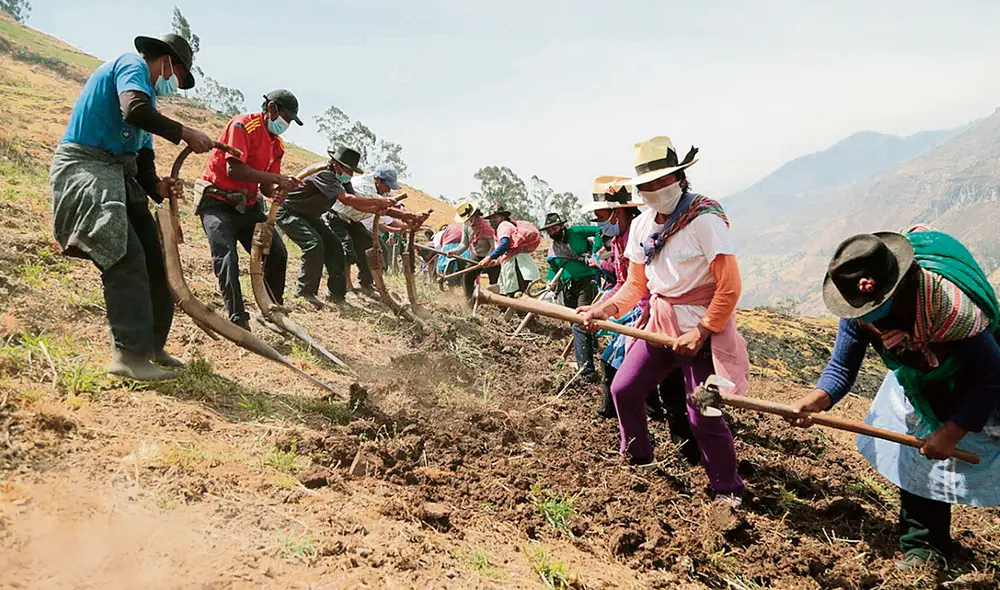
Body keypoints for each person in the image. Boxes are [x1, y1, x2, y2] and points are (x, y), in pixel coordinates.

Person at [787, 227, 1000, 571]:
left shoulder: (950, 308)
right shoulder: (858, 314)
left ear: (903, 285)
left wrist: (953, 431)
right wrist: (816, 400)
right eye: (867, 314)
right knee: (916, 456)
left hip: (978, 378)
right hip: (919, 383)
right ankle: (926, 546)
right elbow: (842, 367)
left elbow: (992, 378)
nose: (876, 321)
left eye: (882, 309)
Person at [579, 136, 747, 505]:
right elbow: (635, 285)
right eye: (646, 186)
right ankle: (640, 462)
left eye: (659, 182)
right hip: (659, 323)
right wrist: (603, 310)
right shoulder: (641, 228)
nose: (653, 191)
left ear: (679, 178)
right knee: (624, 389)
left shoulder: (705, 220)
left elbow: (730, 287)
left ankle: (727, 488)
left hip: (703, 330)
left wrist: (702, 331)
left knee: (704, 412)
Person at [51, 33, 215, 381]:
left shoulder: (148, 104)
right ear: (167, 61)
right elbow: (134, 110)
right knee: (124, 255)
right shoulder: (131, 65)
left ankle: (153, 346)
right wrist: (185, 132)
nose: (176, 85)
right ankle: (129, 356)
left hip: (118, 173)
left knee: (157, 261)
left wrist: (159, 187)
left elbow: (142, 163)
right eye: (179, 77)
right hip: (86, 166)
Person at [584, 175, 700, 465]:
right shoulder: (627, 235)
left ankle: (688, 448)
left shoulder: (654, 231)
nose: (599, 222)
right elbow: (629, 283)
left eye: (601, 216)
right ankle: (641, 439)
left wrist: (642, 310)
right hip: (643, 309)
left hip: (668, 316)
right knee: (623, 374)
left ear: (618, 211)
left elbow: (651, 282)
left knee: (673, 388)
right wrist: (604, 308)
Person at [196, 90, 304, 330]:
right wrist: (277, 177)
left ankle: (271, 311)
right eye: (286, 117)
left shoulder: (277, 145)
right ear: (272, 109)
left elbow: (265, 187)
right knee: (226, 256)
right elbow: (234, 169)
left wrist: (276, 189)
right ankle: (238, 319)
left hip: (248, 206)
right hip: (218, 201)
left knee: (277, 252)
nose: (286, 124)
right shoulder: (242, 126)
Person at [278, 148, 412, 308]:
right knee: (314, 245)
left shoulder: (343, 180)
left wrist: (378, 208)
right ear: (337, 164)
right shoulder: (324, 175)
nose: (350, 174)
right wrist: (378, 203)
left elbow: (356, 203)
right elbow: (347, 199)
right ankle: (305, 292)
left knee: (335, 248)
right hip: (291, 211)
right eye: (349, 169)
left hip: (311, 216)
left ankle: (336, 295)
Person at [325, 162, 417, 294]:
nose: (388, 190)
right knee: (346, 249)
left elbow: (391, 205)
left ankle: (366, 283)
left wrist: (410, 220)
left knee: (368, 245)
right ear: (378, 180)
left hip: (354, 220)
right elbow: (385, 211)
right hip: (338, 216)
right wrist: (406, 221)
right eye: (387, 186)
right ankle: (346, 286)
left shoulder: (381, 190)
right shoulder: (363, 186)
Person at [540, 212, 602, 378]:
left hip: (587, 281)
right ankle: (589, 349)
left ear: (561, 226)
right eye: (549, 230)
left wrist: (595, 252)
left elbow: (598, 231)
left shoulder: (576, 231)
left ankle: (587, 371)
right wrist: (550, 281)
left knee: (579, 322)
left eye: (554, 227)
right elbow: (553, 268)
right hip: (568, 287)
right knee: (576, 323)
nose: (552, 231)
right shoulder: (553, 248)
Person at [474, 208, 541, 296]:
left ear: (503, 217)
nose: (492, 221)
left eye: (495, 217)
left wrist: (489, 258)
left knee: (517, 296)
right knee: (516, 296)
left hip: (517, 266)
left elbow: (505, 244)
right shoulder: (502, 228)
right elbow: (505, 250)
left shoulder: (503, 226)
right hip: (519, 264)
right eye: (490, 218)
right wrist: (495, 261)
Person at [454, 201, 498, 305]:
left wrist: (488, 258)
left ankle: (494, 303)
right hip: (476, 257)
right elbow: (464, 245)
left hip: (491, 257)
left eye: (470, 219)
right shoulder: (466, 226)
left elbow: (493, 245)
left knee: (495, 280)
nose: (469, 222)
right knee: (467, 276)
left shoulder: (488, 225)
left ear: (475, 215)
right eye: (466, 220)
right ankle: (469, 301)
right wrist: (454, 252)